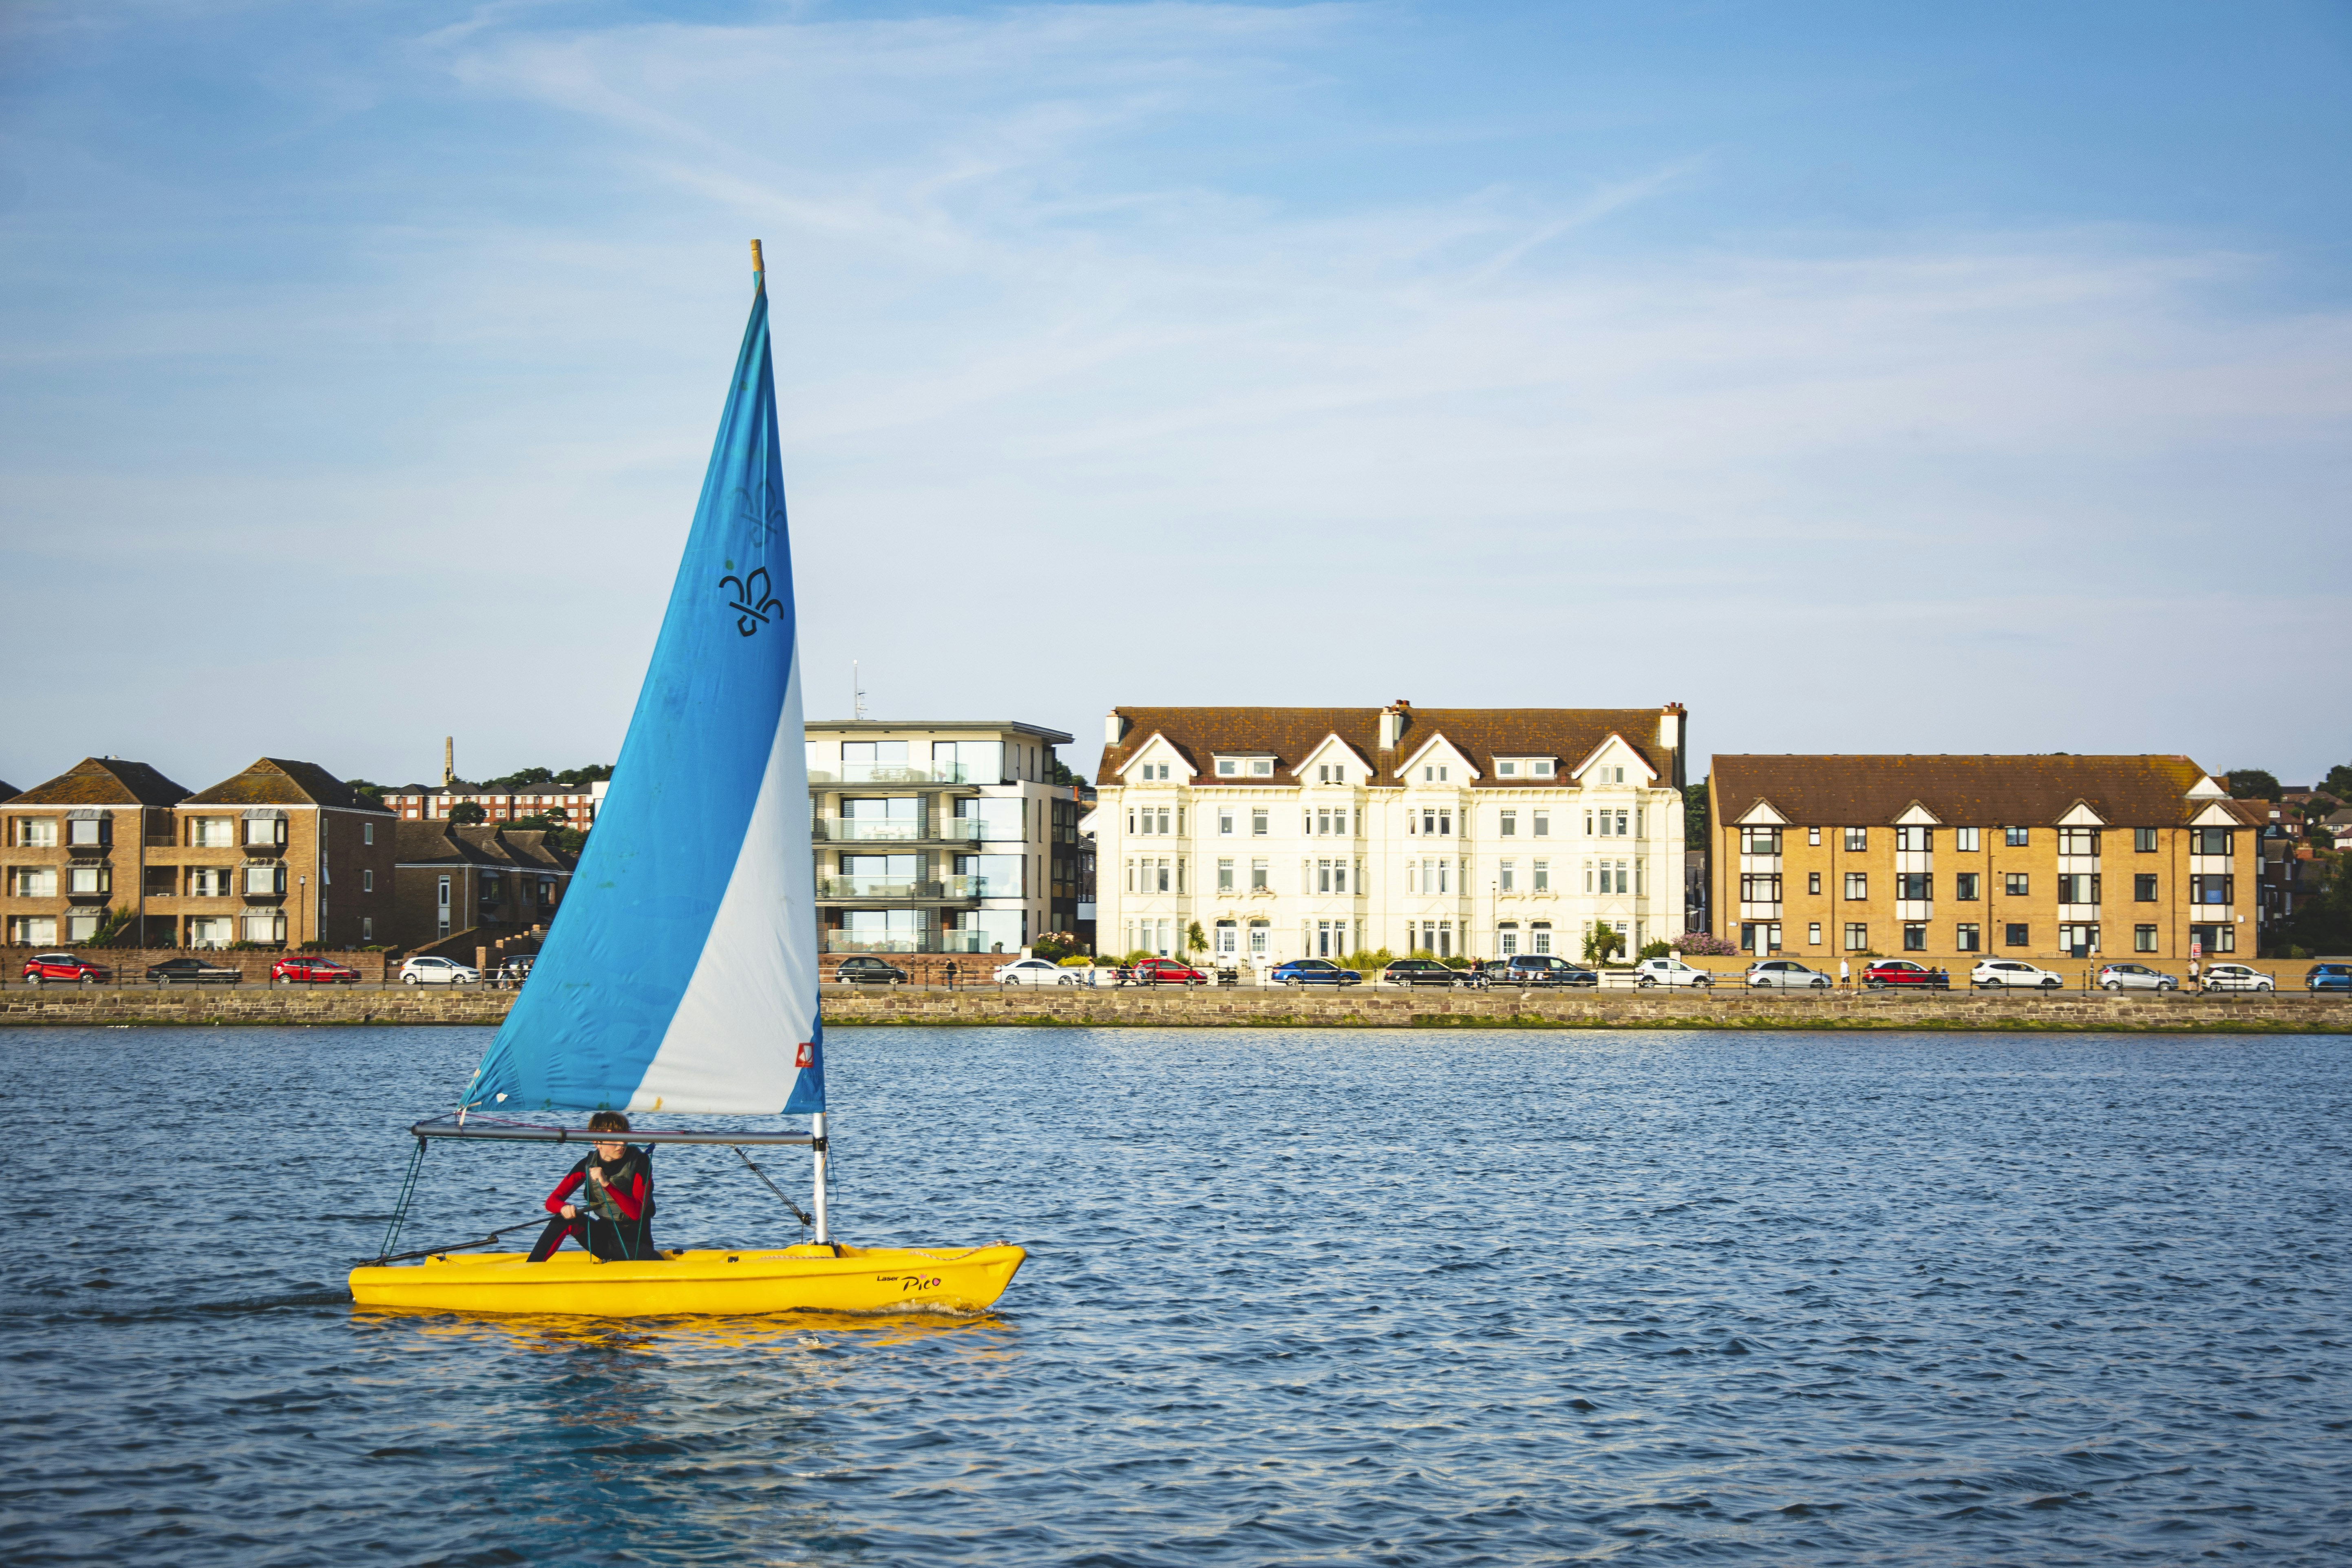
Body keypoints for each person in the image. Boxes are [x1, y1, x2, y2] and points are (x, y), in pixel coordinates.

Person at [527, 1110, 658, 1262]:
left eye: (624, 1136)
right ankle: (530, 1268)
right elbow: (552, 1202)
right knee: (562, 1219)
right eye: (614, 1139)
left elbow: (636, 1213)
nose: (622, 1144)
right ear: (597, 1142)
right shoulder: (588, 1165)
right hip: (603, 1242)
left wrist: (606, 1184)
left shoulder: (640, 1163)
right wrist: (564, 1208)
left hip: (635, 1247)